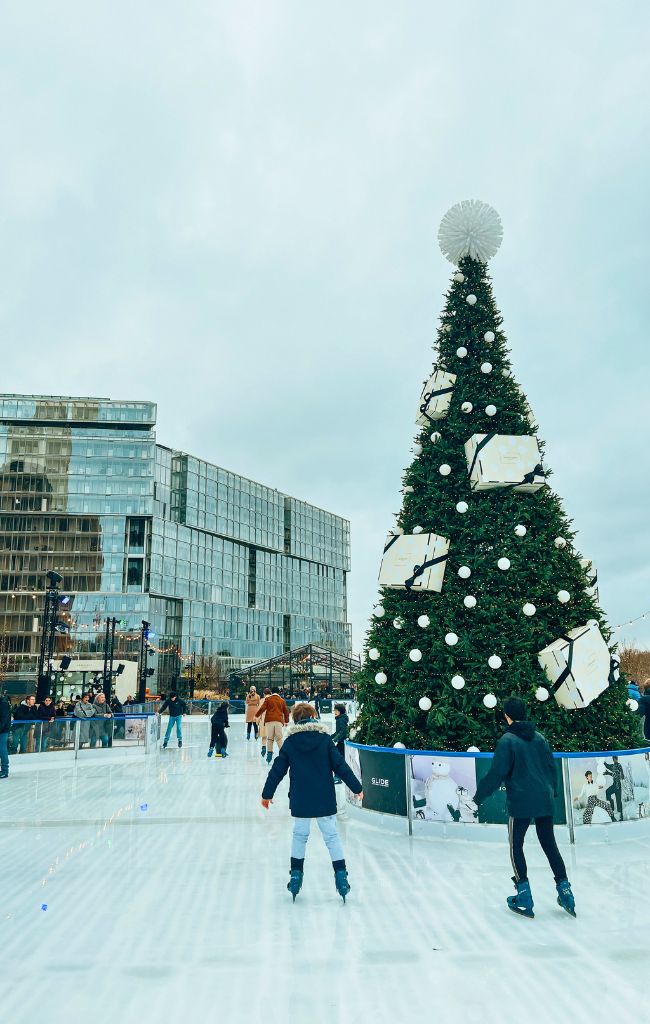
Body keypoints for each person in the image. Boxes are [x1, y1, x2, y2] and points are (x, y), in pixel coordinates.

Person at [473, 696, 576, 918]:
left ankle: (524, 894)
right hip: (544, 799)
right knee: (549, 845)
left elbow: (497, 773)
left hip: (520, 801)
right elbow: (551, 769)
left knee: (515, 845)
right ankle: (566, 891)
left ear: (506, 716)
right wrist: (553, 792)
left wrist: (478, 796)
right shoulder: (540, 738)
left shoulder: (507, 741)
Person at [261, 702, 362, 902]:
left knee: (300, 836)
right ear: (314, 717)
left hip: (301, 798)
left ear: (295, 720)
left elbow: (277, 770)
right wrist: (357, 788)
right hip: (324, 797)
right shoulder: (325, 740)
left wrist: (267, 793)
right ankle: (341, 877)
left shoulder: (290, 743)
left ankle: (296, 876)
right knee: (332, 837)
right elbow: (341, 766)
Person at [255, 688, 290, 764]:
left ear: (272, 693)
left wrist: (257, 715)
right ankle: (283, 754)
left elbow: (262, 708)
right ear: (278, 693)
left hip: (269, 720)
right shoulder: (282, 700)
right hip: (278, 720)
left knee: (270, 738)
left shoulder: (268, 699)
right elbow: (286, 711)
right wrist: (286, 721)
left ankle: (269, 755)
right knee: (279, 738)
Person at [331, 703, 349, 784]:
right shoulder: (340, 718)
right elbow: (338, 731)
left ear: (340, 711)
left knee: (337, 760)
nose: (335, 712)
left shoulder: (341, 719)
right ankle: (338, 776)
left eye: (336, 710)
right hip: (341, 742)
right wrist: (330, 737)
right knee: (338, 760)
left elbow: (343, 731)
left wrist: (335, 739)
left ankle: (338, 777)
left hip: (341, 743)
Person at [603, 756, 624, 821]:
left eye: (615, 759)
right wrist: (602, 761)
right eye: (613, 759)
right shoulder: (613, 765)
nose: (614, 760)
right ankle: (611, 805)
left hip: (618, 786)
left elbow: (620, 776)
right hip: (614, 785)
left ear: (617, 759)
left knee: (618, 801)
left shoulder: (619, 765)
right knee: (607, 792)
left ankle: (621, 817)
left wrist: (609, 773)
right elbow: (607, 766)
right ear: (613, 759)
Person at [0, 693, 11, 779]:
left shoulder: (3, 704)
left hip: (2, 731)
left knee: (2, 749)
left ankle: (4, 771)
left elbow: (3, 719)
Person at [258, 688, 270, 759]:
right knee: (270, 737)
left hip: (263, 720)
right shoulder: (273, 700)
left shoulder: (262, 700)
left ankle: (263, 748)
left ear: (264, 694)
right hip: (271, 719)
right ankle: (269, 750)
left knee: (264, 736)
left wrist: (257, 721)